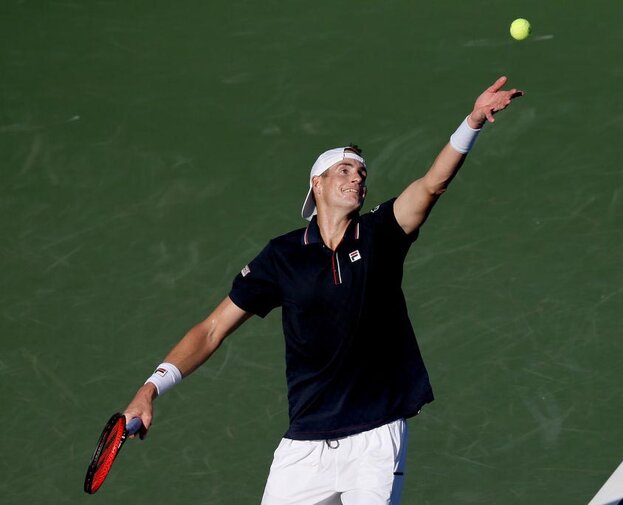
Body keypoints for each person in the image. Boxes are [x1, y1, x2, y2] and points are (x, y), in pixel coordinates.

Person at [123, 75, 524, 504]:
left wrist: (472, 122)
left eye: (362, 173)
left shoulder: (380, 233)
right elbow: (211, 330)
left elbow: (432, 184)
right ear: (317, 184)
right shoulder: (282, 256)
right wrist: (150, 389)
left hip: (375, 436)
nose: (357, 178)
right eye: (345, 170)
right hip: (304, 445)